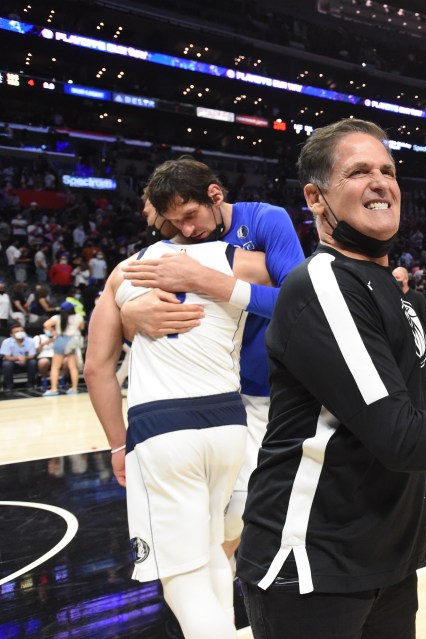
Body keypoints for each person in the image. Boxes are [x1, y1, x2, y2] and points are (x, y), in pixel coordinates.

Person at [236, 118, 426, 639]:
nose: (381, 181)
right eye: (358, 171)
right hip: (314, 563)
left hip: (386, 557)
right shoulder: (321, 284)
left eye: (388, 170)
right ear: (316, 199)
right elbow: (400, 435)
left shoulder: (396, 291)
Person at [85, 237, 271, 639]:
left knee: (182, 580)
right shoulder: (243, 258)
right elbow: (299, 287)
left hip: (163, 427)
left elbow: (96, 369)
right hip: (230, 421)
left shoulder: (126, 271)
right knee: (214, 553)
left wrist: (119, 446)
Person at [120, 159, 305, 557]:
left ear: (215, 195)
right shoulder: (178, 235)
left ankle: (220, 579)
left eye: (190, 216)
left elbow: (298, 306)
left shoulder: (266, 220)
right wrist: (127, 314)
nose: (185, 229)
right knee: (201, 510)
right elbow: (125, 288)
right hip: (203, 393)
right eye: (174, 221)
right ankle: (211, 583)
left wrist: (210, 281)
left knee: (242, 507)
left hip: (263, 388)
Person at [42, 302, 84, 396]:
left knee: (55, 367)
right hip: (72, 341)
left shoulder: (57, 317)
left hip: (60, 340)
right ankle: (74, 388)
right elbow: (82, 327)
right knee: (73, 366)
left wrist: (53, 332)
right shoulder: (78, 317)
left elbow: (46, 324)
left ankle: (53, 389)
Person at [392, 266, 426, 345]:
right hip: (397, 345)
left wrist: (425, 342)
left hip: (416, 344)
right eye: (393, 278)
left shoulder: (418, 297)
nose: (394, 281)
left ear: (405, 279)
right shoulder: (390, 298)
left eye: (397, 278)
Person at [1, 324, 38, 392]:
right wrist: (17, 358)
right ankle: (9, 386)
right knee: (7, 364)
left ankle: (30, 384)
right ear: (11, 334)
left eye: (21, 331)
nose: (20, 332)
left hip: (26, 362)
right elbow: (7, 356)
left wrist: (25, 358)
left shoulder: (30, 341)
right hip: (13, 362)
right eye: (17, 331)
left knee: (33, 362)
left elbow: (32, 355)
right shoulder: (6, 342)